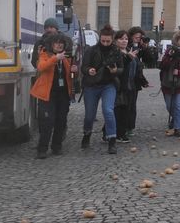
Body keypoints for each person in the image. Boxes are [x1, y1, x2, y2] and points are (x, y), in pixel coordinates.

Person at [81, 25, 122, 154]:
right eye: (103, 41)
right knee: (89, 115)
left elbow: (121, 68)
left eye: (107, 41)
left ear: (112, 40)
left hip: (108, 85)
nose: (105, 43)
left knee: (108, 111)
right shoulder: (91, 50)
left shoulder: (116, 51)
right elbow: (84, 67)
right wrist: (89, 70)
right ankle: (87, 134)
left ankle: (112, 140)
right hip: (91, 85)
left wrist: (116, 71)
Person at [30, 34, 73, 158]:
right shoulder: (44, 54)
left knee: (61, 121)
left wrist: (73, 72)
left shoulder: (66, 58)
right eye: (56, 43)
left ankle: (57, 147)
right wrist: (55, 58)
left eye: (61, 43)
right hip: (47, 94)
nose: (59, 45)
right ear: (51, 44)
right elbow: (41, 67)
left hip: (63, 94)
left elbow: (70, 77)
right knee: (47, 121)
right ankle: (42, 149)